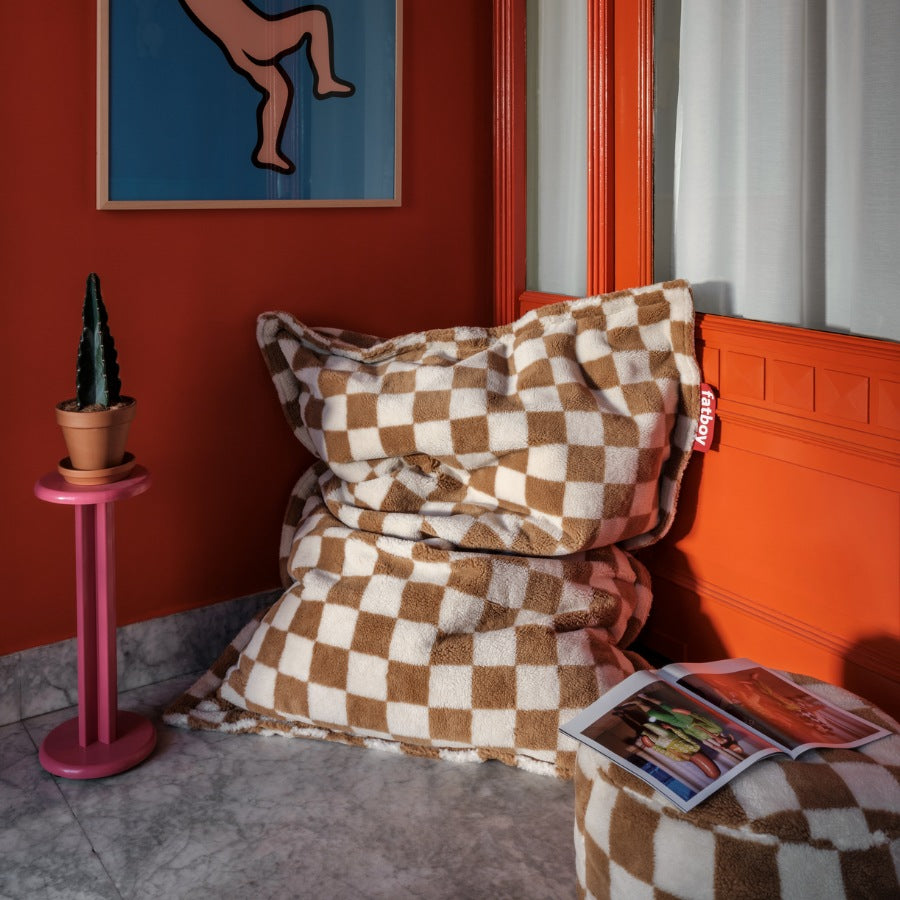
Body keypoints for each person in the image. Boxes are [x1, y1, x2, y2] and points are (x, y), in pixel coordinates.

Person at [179, 0, 355, 174]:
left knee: (280, 90)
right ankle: (325, 81)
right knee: (315, 19)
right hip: (257, 37)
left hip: (239, 49)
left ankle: (267, 150)